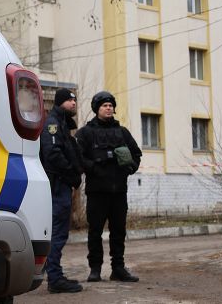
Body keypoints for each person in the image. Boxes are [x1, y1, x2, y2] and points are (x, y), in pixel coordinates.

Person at [75, 91, 142, 283]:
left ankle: (118, 268)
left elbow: (136, 154)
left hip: (118, 191)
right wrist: (94, 168)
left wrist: (129, 168)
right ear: (97, 109)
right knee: (95, 232)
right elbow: (78, 157)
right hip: (97, 192)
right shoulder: (86, 133)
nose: (108, 108)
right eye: (104, 105)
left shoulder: (122, 132)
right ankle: (95, 269)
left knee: (118, 231)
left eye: (111, 105)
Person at [39, 88, 83, 294]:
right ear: (59, 102)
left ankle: (55, 275)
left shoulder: (63, 123)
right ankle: (55, 279)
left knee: (59, 232)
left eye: (74, 100)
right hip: (57, 185)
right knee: (58, 232)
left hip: (62, 184)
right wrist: (71, 174)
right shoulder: (53, 124)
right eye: (69, 100)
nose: (73, 103)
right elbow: (53, 155)